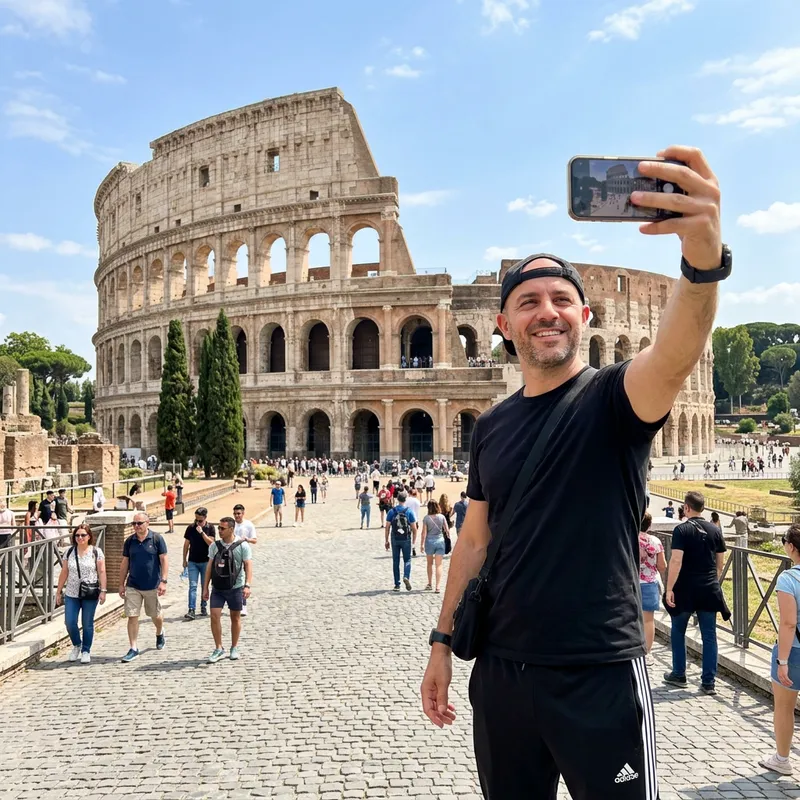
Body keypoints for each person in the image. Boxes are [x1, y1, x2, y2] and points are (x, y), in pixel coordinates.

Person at [422, 146, 725, 800]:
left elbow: (674, 357)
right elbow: (473, 541)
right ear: (504, 325)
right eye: (528, 301)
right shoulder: (494, 426)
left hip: (600, 670)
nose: (548, 310)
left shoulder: (617, 398)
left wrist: (702, 262)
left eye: (562, 298)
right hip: (502, 671)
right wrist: (441, 641)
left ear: (586, 319)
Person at [663, 491, 729, 695]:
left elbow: (676, 561)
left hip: (685, 588)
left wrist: (669, 588)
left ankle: (679, 673)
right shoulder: (715, 530)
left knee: (678, 631)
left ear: (686, 507)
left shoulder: (681, 530)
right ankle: (708, 682)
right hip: (709, 588)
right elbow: (720, 564)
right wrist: (712, 582)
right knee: (709, 636)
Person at [759, 524, 800, 776]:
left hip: (794, 651)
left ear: (791, 546)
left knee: (784, 707)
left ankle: (782, 759)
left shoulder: (788, 578)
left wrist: (782, 660)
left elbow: (788, 623)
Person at [119, 512, 168, 663]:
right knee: (132, 616)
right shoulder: (130, 541)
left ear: (147, 523)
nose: (136, 526)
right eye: (134, 524)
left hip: (152, 584)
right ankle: (133, 648)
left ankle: (160, 632)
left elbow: (164, 560)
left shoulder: (157, 539)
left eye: (139, 523)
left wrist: (163, 581)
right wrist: (121, 583)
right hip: (133, 584)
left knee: (155, 614)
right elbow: (124, 563)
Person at [203, 516, 253, 663]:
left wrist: (247, 585)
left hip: (235, 587)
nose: (219, 531)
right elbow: (209, 567)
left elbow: (248, 565)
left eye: (222, 528)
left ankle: (234, 647)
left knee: (235, 617)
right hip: (217, 588)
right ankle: (218, 648)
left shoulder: (242, 545)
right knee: (214, 615)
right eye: (219, 528)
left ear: (231, 529)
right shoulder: (214, 546)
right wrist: (205, 587)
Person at [55, 524, 107, 663]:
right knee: (70, 622)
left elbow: (101, 571)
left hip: (90, 592)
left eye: (83, 535)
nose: (80, 538)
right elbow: (64, 571)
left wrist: (103, 590)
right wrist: (58, 591)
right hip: (72, 592)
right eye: (77, 535)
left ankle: (86, 650)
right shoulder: (69, 552)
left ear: (89, 536)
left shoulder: (96, 552)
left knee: (87, 622)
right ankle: (77, 644)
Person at [638, 512, 666, 654]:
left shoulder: (629, 538)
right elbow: (662, 566)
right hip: (649, 583)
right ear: (649, 525)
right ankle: (646, 652)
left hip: (631, 583)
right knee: (648, 620)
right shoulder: (655, 541)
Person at [182, 507, 216, 620]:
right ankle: (191, 609)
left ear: (205, 518)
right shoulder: (191, 528)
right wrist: (184, 559)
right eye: (196, 520)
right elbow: (186, 544)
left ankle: (203, 606)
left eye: (200, 520)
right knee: (193, 586)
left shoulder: (210, 528)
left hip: (206, 561)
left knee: (204, 585)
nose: (197, 522)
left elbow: (212, 543)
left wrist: (202, 533)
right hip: (193, 562)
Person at [385, 492, 417, 591]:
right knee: (407, 559)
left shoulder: (392, 511)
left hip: (395, 537)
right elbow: (414, 528)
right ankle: (406, 576)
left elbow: (387, 527)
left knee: (396, 561)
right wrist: (414, 543)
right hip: (406, 538)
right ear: (405, 500)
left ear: (397, 499)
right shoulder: (409, 511)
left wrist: (386, 540)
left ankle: (397, 584)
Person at [233, 503, 257, 616]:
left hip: (244, 554)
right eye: (235, 514)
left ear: (243, 513)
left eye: (238, 514)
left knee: (242, 580)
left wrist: (247, 539)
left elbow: (255, 540)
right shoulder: (231, 524)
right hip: (232, 555)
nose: (237, 516)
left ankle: (243, 605)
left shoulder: (248, 525)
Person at [421, 500, 449, 593]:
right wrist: (448, 539)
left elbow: (424, 533)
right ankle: (438, 587)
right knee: (439, 565)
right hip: (440, 541)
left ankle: (429, 583)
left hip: (429, 542)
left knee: (429, 564)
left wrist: (421, 544)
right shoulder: (442, 517)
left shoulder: (426, 518)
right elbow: (447, 530)